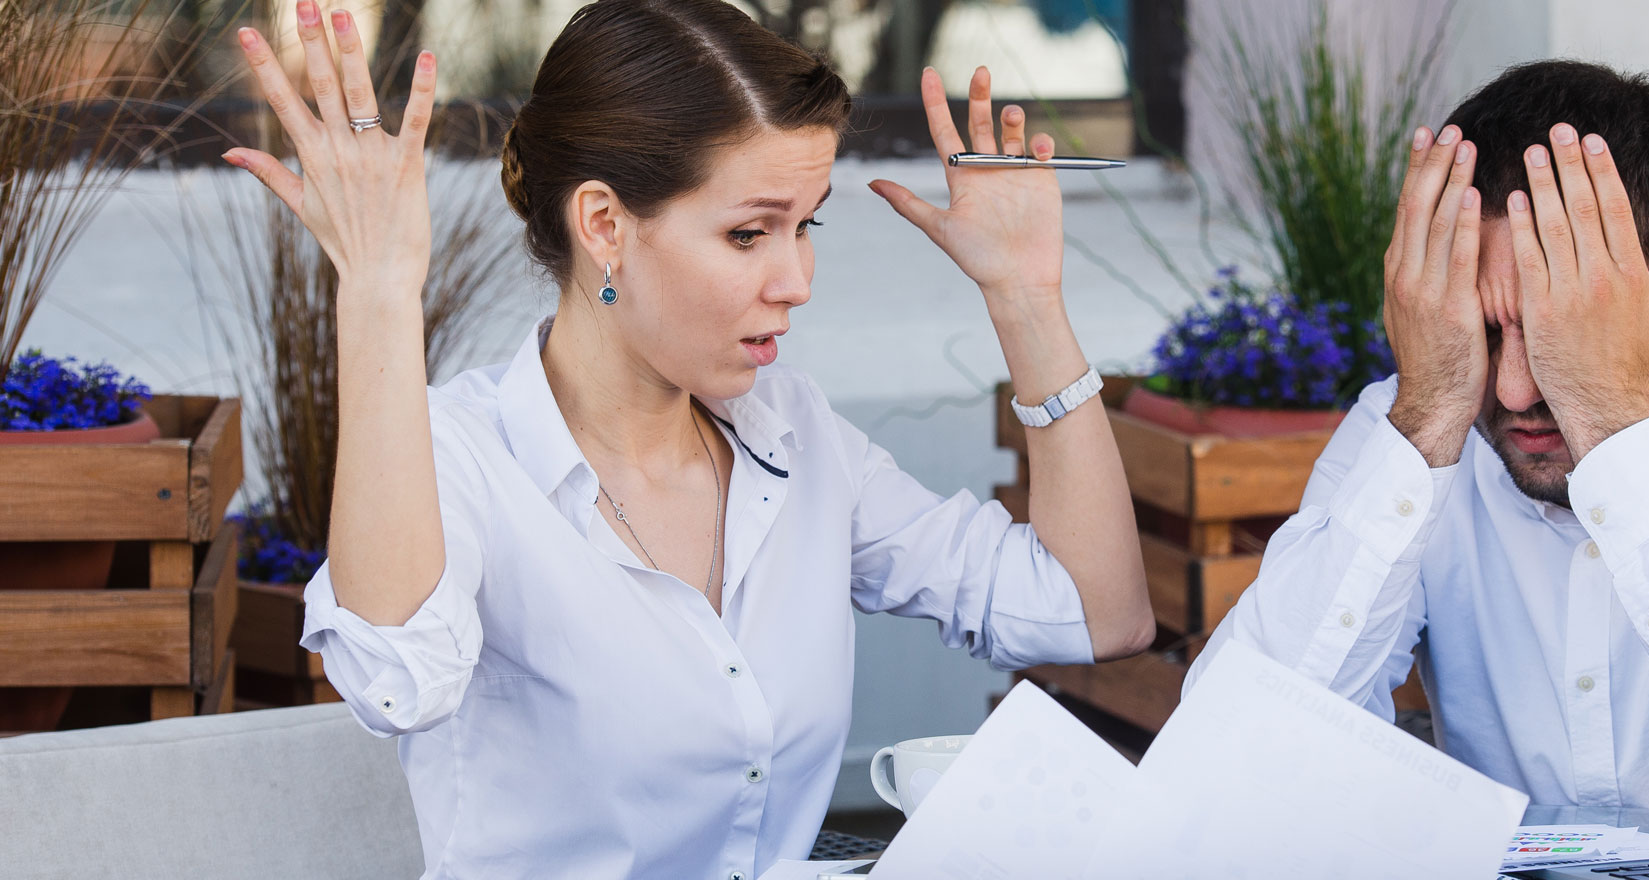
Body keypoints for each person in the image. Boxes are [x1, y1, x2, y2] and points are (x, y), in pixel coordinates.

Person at [220, 1, 1154, 875]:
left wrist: (1026, 300)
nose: (797, 279)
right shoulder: (460, 458)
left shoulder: (794, 434)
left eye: (806, 225)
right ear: (604, 225)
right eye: (751, 233)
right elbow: (393, 685)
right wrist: (381, 289)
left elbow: (1094, 614)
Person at [1186, 60, 1649, 810]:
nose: (1514, 389)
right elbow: (1232, 752)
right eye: (1480, 330)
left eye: (1561, 332)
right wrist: (1425, 424)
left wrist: (1609, 415)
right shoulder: (1418, 417)